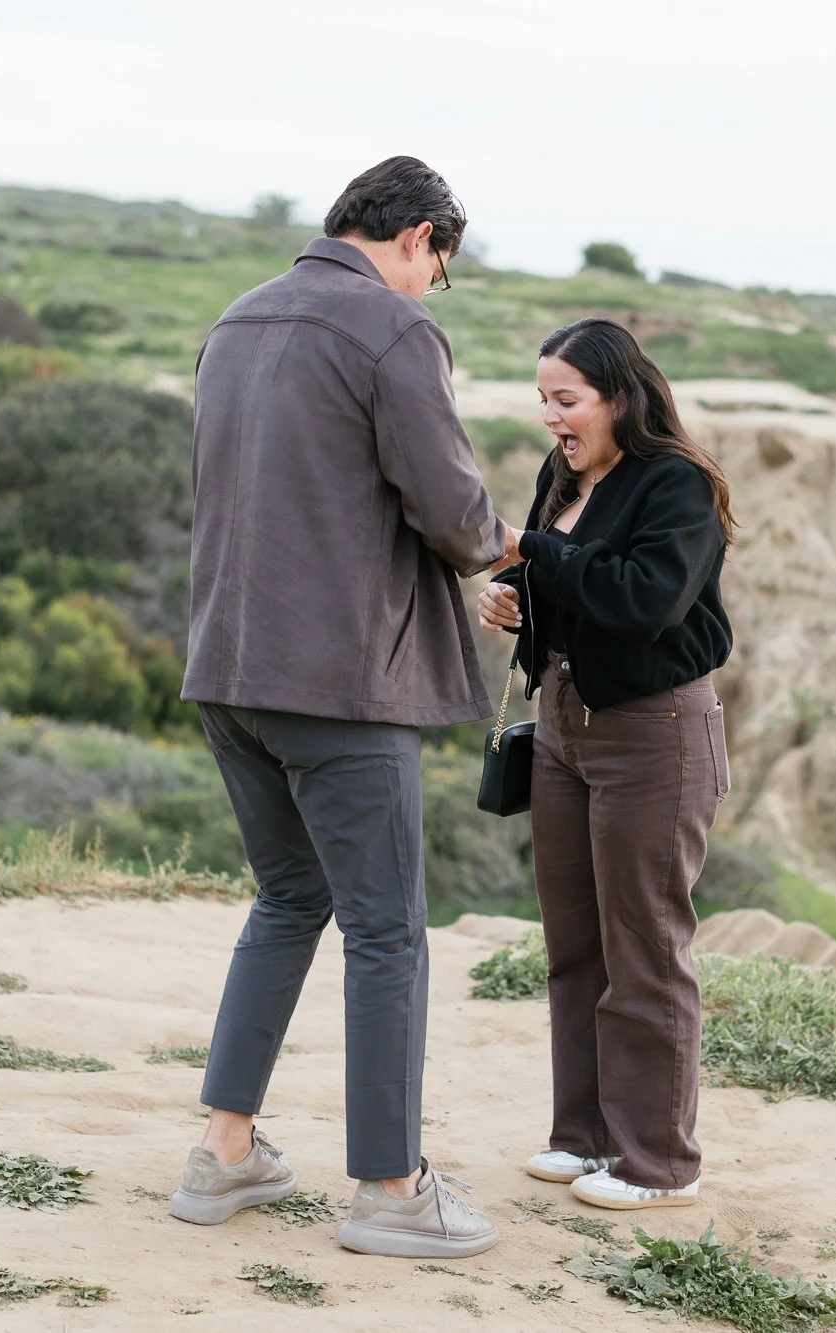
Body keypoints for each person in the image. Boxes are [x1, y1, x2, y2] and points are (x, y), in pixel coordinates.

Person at [171, 156, 518, 1259]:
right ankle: (391, 1188)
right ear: (419, 238)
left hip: (226, 667)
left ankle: (223, 1153)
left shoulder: (239, 316)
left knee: (287, 899)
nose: (430, 289)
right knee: (387, 930)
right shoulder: (391, 327)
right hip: (337, 680)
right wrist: (513, 545)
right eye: (437, 270)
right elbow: (451, 511)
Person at [478, 317, 735, 1210]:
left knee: (646, 951)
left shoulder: (677, 484)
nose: (551, 417)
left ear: (619, 397)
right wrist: (513, 596)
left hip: (653, 735)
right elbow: (562, 582)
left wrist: (533, 550)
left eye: (567, 399)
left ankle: (658, 1163)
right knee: (575, 947)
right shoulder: (562, 477)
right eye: (543, 399)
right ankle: (583, 1137)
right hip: (562, 727)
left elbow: (643, 601)